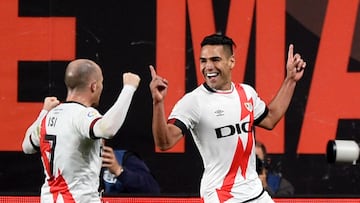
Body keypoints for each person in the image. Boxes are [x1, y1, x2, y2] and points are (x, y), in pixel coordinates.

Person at [149, 33, 306, 203]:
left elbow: (271, 118)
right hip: (221, 195)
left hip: (255, 192)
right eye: (203, 60)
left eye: (215, 59)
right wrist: (158, 103)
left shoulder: (247, 93)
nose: (208, 66)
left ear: (231, 61)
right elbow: (164, 142)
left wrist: (290, 80)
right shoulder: (193, 101)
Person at [22, 59, 140, 203]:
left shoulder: (48, 117)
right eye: (101, 83)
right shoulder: (82, 115)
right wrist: (129, 88)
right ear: (94, 86)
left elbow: (27, 146)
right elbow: (108, 128)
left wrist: (44, 112)